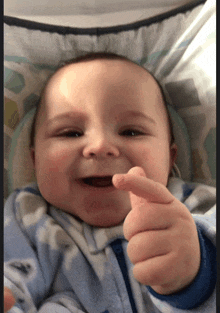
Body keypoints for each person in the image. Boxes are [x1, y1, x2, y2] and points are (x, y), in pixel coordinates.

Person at [4, 52, 216, 313]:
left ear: (169, 156)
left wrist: (197, 268)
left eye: (131, 131)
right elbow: (11, 279)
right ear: (35, 160)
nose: (100, 146)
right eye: (71, 133)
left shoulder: (198, 205)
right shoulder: (26, 217)